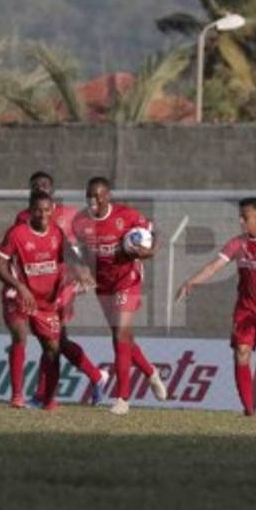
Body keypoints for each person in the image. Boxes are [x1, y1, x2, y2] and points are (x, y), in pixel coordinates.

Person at [176, 198, 256, 418]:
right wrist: (191, 282)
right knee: (241, 353)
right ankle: (249, 411)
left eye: (245, 217)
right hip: (244, 311)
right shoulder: (238, 243)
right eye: (240, 217)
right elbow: (214, 267)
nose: (240, 221)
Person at [5, 172, 108, 408]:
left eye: (45, 185)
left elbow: (85, 243)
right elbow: (19, 251)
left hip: (64, 284)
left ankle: (45, 395)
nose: (40, 187)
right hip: (38, 284)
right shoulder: (23, 217)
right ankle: (94, 377)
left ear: (53, 189)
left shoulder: (70, 215)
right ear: (30, 190)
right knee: (53, 339)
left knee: (53, 339)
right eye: (35, 185)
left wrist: (86, 271)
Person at [71, 176, 168, 416]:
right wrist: (83, 273)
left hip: (127, 279)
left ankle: (123, 398)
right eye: (89, 195)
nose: (92, 200)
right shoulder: (80, 222)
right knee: (122, 336)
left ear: (108, 196)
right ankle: (150, 372)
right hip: (103, 283)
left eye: (97, 196)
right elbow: (83, 253)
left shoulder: (127, 216)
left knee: (120, 335)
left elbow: (156, 232)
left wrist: (150, 251)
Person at [0, 190, 80, 411]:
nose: (43, 215)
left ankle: (49, 401)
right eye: (38, 210)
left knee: (53, 348)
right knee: (20, 335)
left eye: (47, 210)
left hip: (46, 302)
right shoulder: (17, 233)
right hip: (20, 296)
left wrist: (82, 272)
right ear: (30, 211)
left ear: (52, 211)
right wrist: (19, 286)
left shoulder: (57, 233)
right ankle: (17, 396)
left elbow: (71, 258)